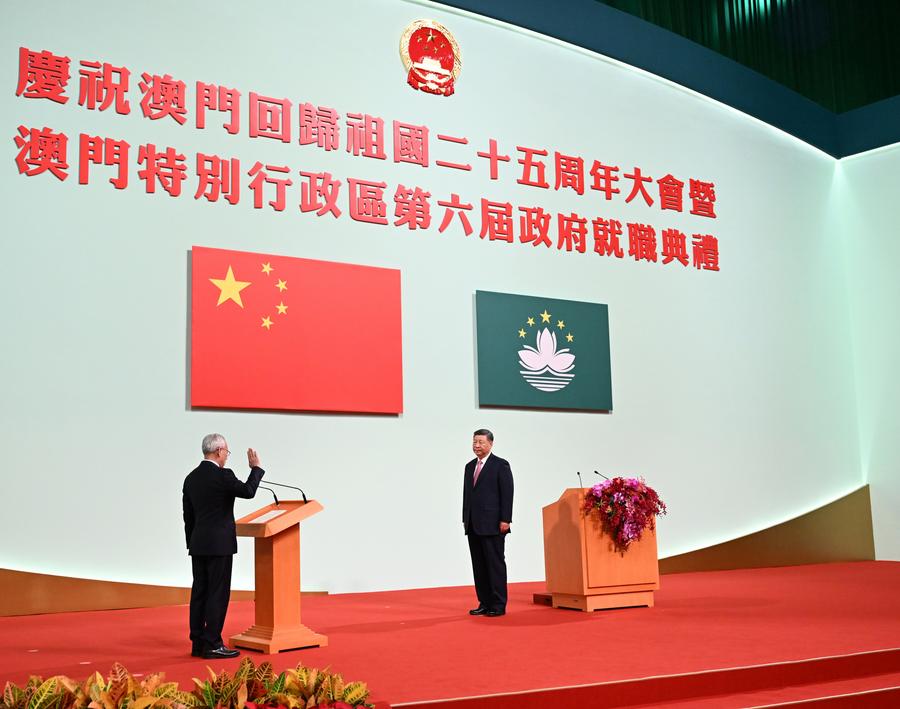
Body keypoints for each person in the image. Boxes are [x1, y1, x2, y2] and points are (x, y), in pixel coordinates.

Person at [183, 433, 264, 659]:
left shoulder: (191, 478)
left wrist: (192, 542)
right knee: (217, 594)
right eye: (227, 452)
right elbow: (248, 491)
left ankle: (198, 642)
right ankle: (212, 644)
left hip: (198, 544)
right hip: (220, 545)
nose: (227, 457)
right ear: (218, 451)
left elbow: (187, 516)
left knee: (199, 592)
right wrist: (255, 468)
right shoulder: (223, 476)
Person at [462, 428, 514, 617]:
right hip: (473, 525)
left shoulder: (501, 465)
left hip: (493, 524)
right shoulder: (469, 467)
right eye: (474, 442)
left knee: (495, 565)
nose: (477, 445)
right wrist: (465, 518)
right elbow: (467, 496)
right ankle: (484, 602)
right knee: (479, 566)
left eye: (481, 442)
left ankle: (498, 605)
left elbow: (507, 494)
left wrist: (505, 519)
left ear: (491, 444)